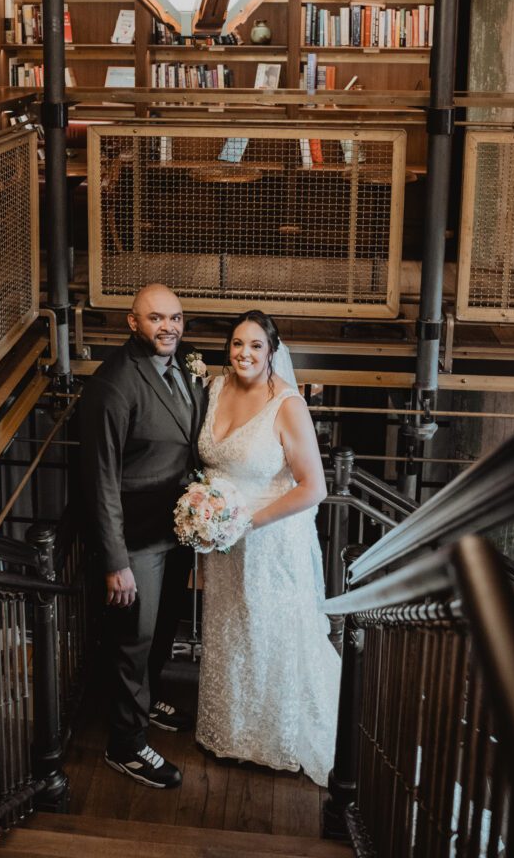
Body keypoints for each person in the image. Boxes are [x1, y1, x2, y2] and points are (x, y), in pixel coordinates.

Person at [195, 310, 341, 782]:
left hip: (272, 541)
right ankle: (232, 733)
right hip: (224, 543)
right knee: (231, 632)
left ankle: (275, 734)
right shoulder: (215, 389)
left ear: (272, 352)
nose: (245, 354)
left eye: (256, 345)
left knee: (270, 635)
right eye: (238, 344)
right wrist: (207, 513)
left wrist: (246, 523)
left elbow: (313, 487)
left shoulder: (288, 405)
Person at [79, 284, 207, 789]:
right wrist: (116, 561)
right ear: (133, 323)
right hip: (135, 541)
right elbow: (100, 479)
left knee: (160, 632)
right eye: (156, 318)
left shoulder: (182, 371)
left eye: (175, 318)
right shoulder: (114, 384)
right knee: (133, 641)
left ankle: (149, 703)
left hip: (175, 530)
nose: (169, 327)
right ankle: (125, 744)